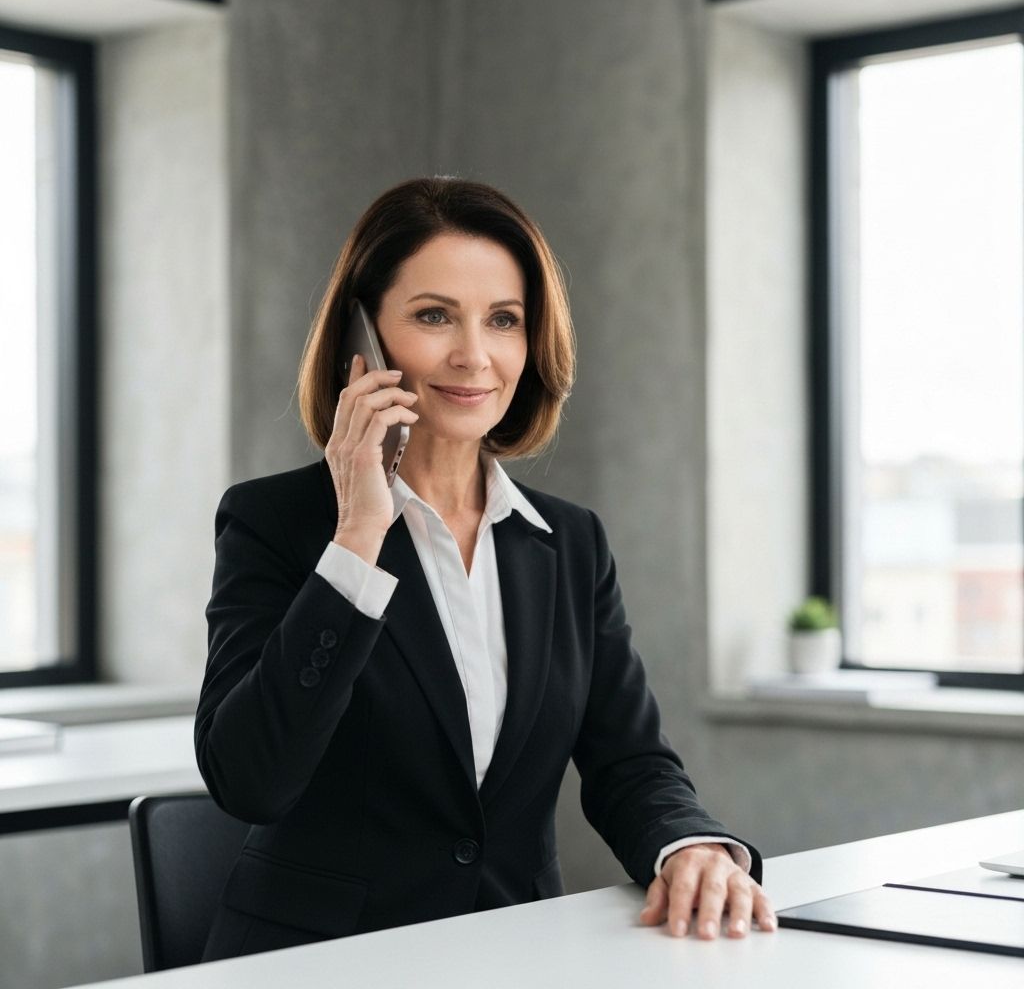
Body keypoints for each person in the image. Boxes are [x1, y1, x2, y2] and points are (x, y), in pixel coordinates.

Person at [196, 177, 776, 961]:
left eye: (504, 320)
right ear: (360, 343)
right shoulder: (275, 524)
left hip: (516, 953)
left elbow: (630, 760)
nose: (474, 356)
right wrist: (360, 533)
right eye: (434, 316)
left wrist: (691, 847)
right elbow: (251, 780)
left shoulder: (568, 542)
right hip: (322, 963)